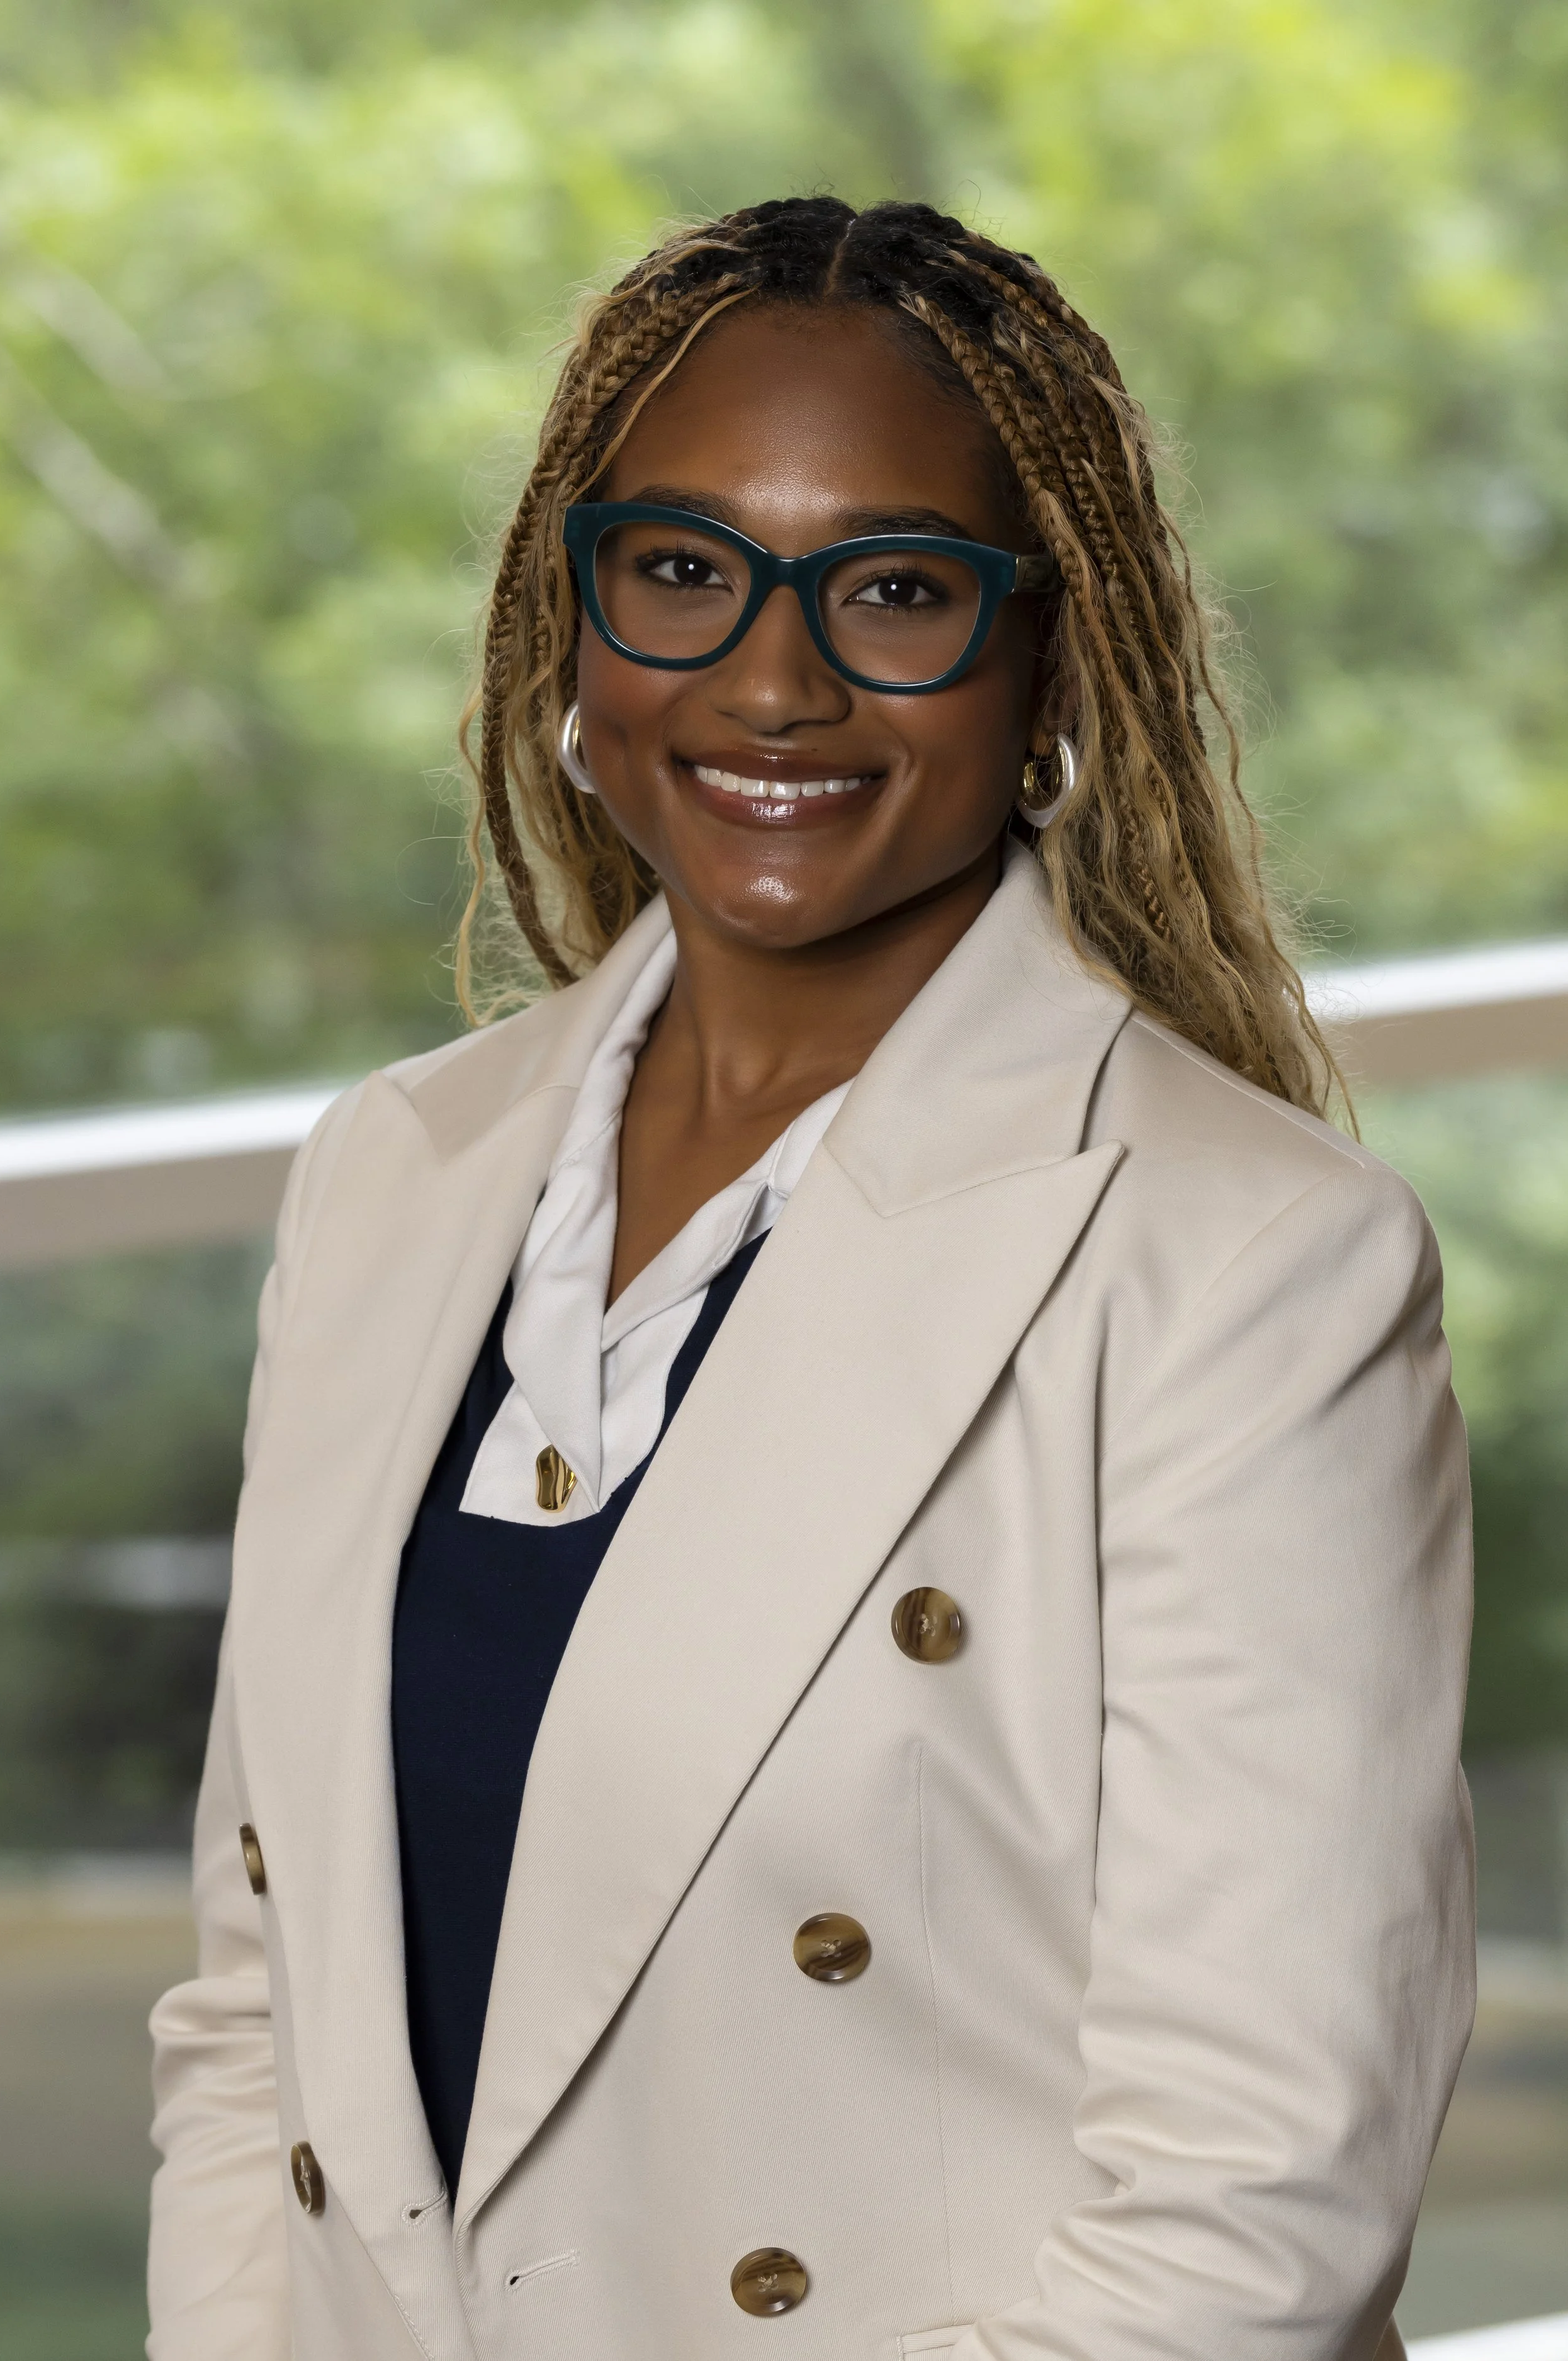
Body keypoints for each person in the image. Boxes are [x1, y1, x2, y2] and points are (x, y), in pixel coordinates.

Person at [145, 197, 1474, 2361]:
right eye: (680, 570)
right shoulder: (393, 1175)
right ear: (566, 629)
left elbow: (1249, 2207)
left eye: (895, 590)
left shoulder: (1253, 1267)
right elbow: (251, 2023)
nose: (773, 678)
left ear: (1051, 660)